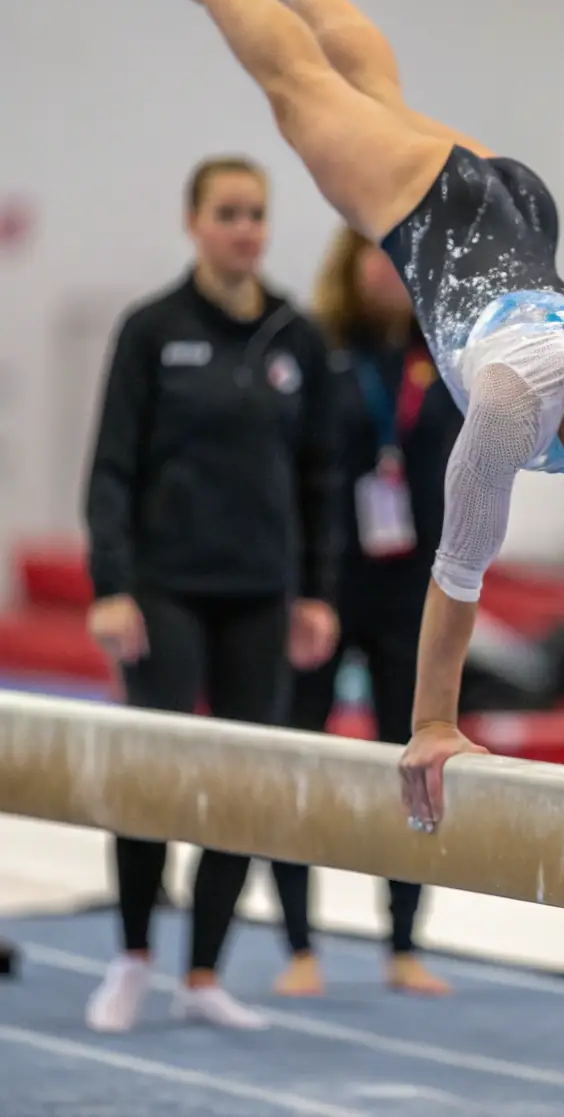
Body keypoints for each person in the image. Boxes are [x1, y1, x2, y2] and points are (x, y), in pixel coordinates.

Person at [137, 0, 564, 830]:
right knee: (302, 93)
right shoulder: (514, 394)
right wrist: (434, 723)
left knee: (372, 100)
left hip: (519, 214)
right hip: (441, 214)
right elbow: (458, 570)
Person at [82, 154, 341, 1032]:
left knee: (241, 782)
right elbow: (112, 465)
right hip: (166, 587)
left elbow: (321, 478)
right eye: (228, 211)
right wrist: (111, 584)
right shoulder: (152, 329)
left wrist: (317, 592)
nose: (244, 227)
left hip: (260, 591)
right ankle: (131, 957)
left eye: (257, 213)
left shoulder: (295, 338)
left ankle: (202, 971)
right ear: (193, 221)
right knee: (151, 775)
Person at [270, 227, 462, 997]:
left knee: (414, 767)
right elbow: (296, 469)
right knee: (302, 762)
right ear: (346, 266)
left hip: (413, 588)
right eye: (373, 254)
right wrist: (298, 586)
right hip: (327, 583)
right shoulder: (318, 351)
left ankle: (404, 942)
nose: (387, 269)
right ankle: (298, 945)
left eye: (400, 256)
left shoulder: (444, 356)